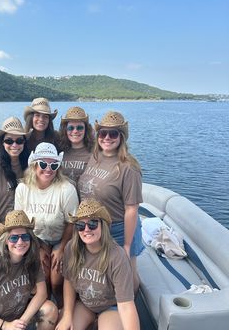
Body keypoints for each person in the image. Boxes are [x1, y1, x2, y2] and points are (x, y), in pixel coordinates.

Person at [54, 199, 154, 330]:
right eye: (80, 225)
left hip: (111, 306)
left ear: (102, 225)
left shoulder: (116, 256)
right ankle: (91, 325)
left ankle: (106, 328)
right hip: (86, 303)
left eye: (92, 223)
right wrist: (67, 315)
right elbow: (68, 281)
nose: (86, 229)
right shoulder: (71, 250)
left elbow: (126, 305)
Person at [77, 111, 143, 291]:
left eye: (113, 134)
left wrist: (127, 246)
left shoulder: (128, 168)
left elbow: (131, 210)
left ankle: (132, 309)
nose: (107, 138)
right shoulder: (94, 158)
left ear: (121, 137)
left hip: (119, 229)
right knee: (104, 274)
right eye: (103, 133)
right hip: (94, 227)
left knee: (127, 275)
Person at [14, 142, 79, 307]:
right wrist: (39, 247)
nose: (48, 168)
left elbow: (71, 223)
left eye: (54, 164)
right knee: (43, 275)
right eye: (43, 164)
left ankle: (62, 308)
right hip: (35, 238)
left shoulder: (66, 189)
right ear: (34, 165)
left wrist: (61, 247)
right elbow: (21, 223)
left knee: (56, 279)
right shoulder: (22, 188)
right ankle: (45, 308)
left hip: (61, 238)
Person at [0, 117, 31, 250]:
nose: (14, 145)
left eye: (19, 141)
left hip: (18, 224)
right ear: (2, 143)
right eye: (9, 141)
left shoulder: (28, 166)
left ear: (24, 143)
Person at [58, 106, 94, 184]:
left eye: (80, 128)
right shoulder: (60, 151)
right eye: (71, 128)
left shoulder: (94, 152)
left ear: (86, 130)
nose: (75, 131)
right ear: (65, 130)